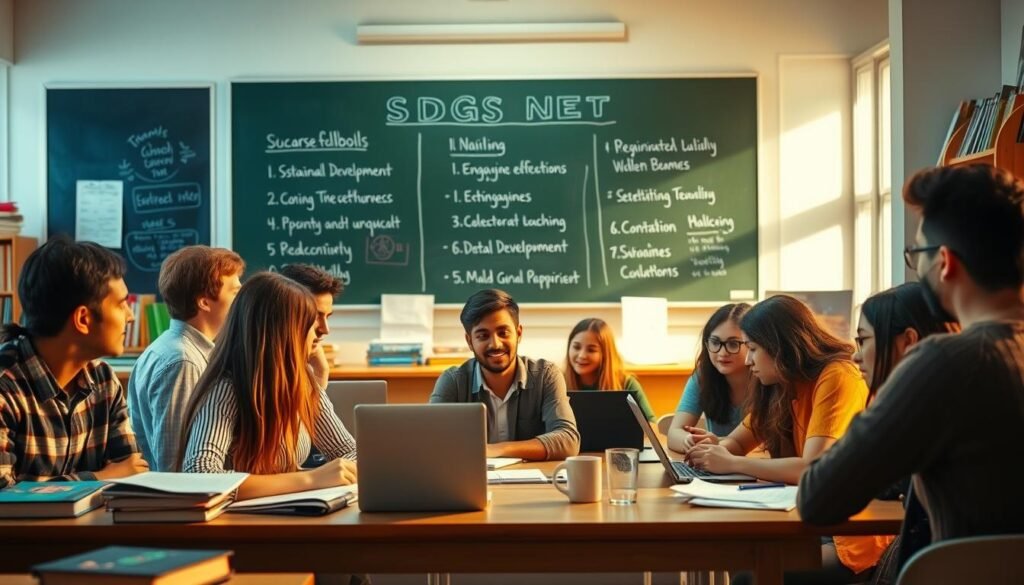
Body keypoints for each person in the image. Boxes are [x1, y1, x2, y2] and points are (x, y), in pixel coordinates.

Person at [799, 165, 1024, 575]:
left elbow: (818, 498)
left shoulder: (945, 363)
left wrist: (888, 390)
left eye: (916, 255)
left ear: (944, 262)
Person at [686, 295, 881, 584]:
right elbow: (737, 442)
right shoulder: (780, 383)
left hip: (849, 533)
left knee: (748, 577)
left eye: (752, 349)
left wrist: (731, 463)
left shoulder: (838, 375)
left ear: (780, 347)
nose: (748, 360)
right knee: (738, 556)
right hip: (808, 518)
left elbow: (812, 468)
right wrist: (715, 450)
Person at [178, 272, 356, 500]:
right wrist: (311, 479)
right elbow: (200, 476)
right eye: (308, 325)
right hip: (240, 526)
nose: (318, 333)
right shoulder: (227, 390)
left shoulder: (304, 384)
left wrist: (335, 472)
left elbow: (351, 451)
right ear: (281, 333)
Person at [0, 236, 148, 487]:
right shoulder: (6, 386)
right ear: (83, 319)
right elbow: (4, 497)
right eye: (122, 304)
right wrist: (99, 477)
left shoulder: (103, 379)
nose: (130, 316)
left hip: (94, 526)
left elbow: (132, 472)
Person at [852, 283, 958, 585]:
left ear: (908, 341)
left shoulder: (917, 410)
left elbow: (819, 497)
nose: (856, 357)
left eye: (863, 341)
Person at [128, 246, 244, 472]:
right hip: (185, 502)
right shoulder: (184, 362)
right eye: (236, 294)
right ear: (204, 302)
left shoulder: (173, 347)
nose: (242, 302)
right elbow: (177, 468)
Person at [429, 288, 579, 460]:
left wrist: (497, 450)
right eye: (483, 336)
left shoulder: (546, 376)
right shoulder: (453, 382)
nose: (495, 344)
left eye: (503, 333)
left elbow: (568, 440)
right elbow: (432, 442)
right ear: (469, 341)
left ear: (519, 333)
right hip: (471, 482)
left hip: (532, 483)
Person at [666, 303, 751, 453]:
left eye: (733, 344)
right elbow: (674, 433)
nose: (722, 352)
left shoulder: (767, 380)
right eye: (715, 342)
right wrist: (689, 441)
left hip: (759, 470)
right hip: (720, 467)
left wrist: (715, 445)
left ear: (752, 344)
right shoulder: (703, 377)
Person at [563, 317, 656, 421]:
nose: (582, 355)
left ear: (605, 354)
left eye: (591, 350)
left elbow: (651, 423)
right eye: (576, 347)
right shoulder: (557, 382)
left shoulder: (626, 383)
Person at [279, 263, 344, 391]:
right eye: (315, 317)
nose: (325, 330)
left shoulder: (304, 370)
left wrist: (321, 375)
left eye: (327, 317)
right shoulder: (262, 376)